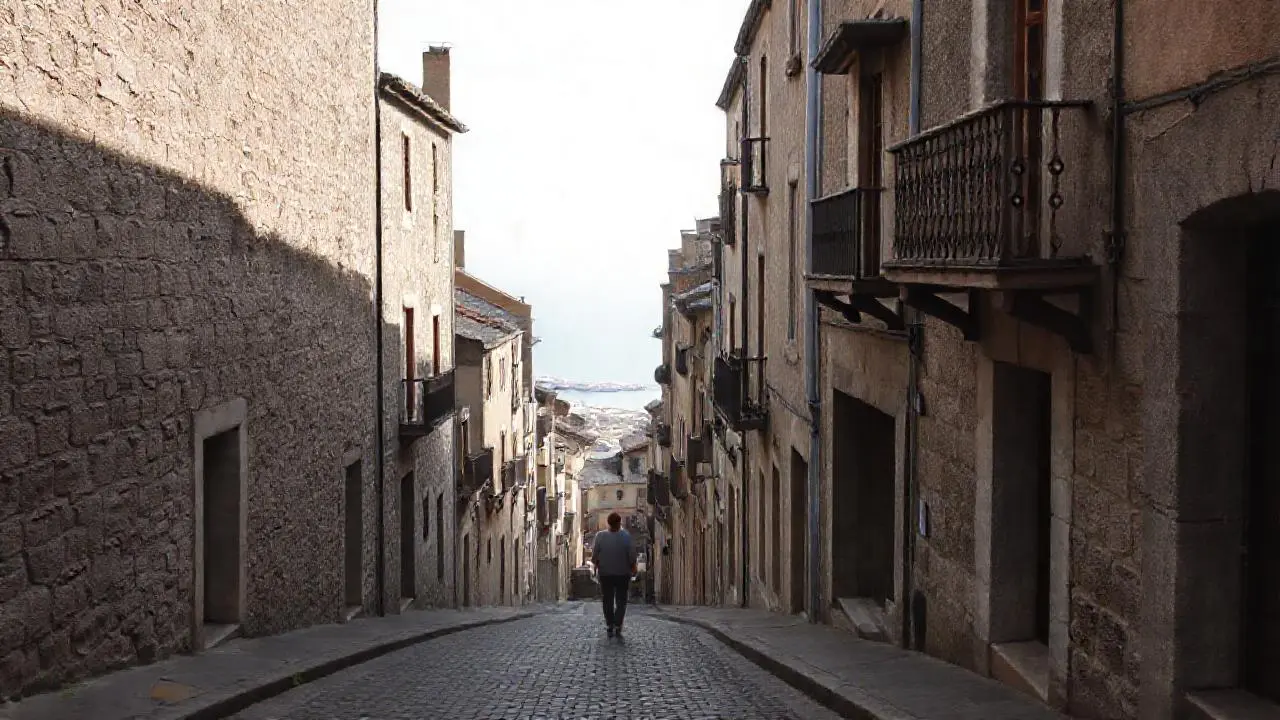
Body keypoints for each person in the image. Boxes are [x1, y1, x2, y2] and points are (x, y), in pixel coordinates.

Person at [591, 512, 637, 637]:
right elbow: (632, 556)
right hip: (623, 573)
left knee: (607, 600)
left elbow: (594, 556)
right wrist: (633, 568)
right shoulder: (626, 536)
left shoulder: (600, 536)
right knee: (621, 600)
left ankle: (610, 624)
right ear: (619, 522)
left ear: (608, 523)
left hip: (606, 574)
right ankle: (618, 624)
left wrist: (596, 565)